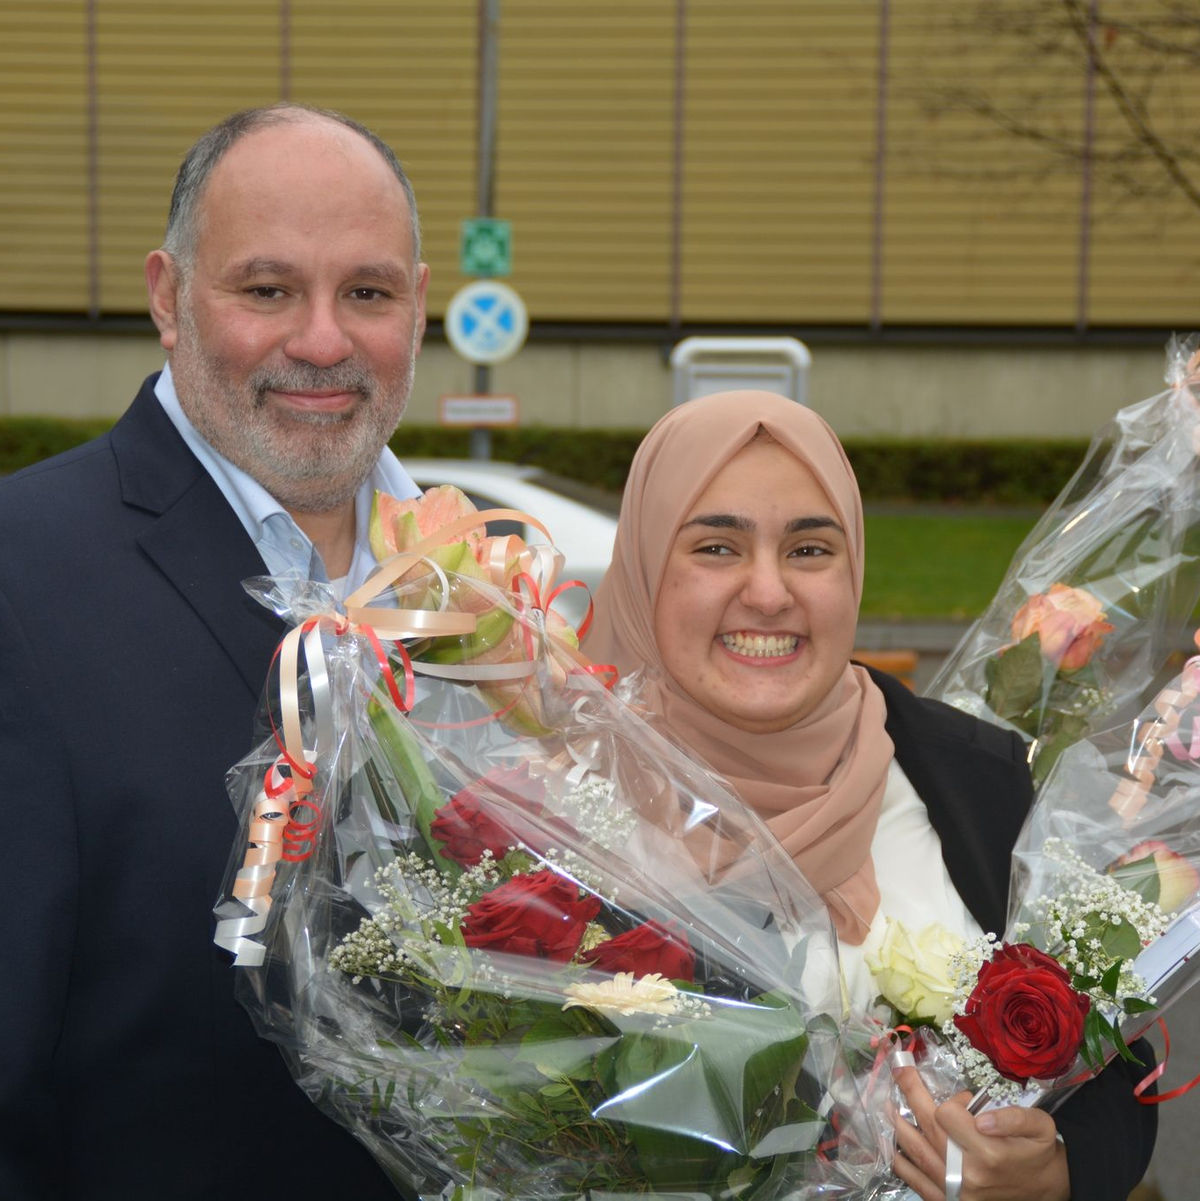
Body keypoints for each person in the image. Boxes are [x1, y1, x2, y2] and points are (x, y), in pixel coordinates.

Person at [0, 105, 429, 1198]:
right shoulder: (20, 575)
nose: (324, 340)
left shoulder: (490, 598)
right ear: (168, 298)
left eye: (367, 293)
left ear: (417, 309)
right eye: (268, 289)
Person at [582, 390, 1157, 1201]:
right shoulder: (551, 804)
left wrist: (1057, 1168)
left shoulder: (975, 776)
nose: (769, 592)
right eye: (716, 546)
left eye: (810, 549)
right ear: (644, 565)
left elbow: (1115, 1068)